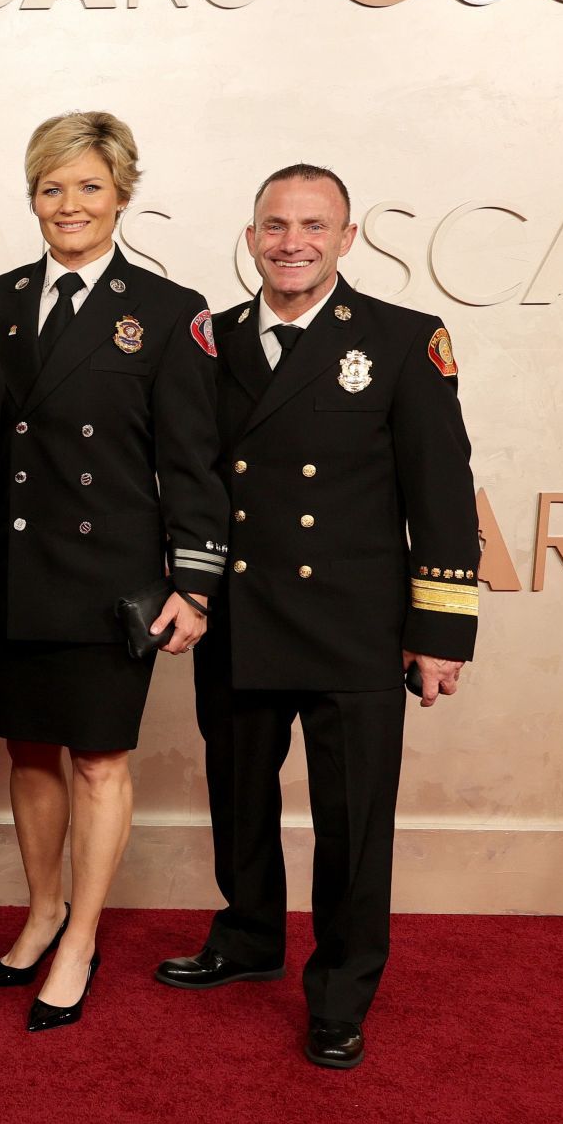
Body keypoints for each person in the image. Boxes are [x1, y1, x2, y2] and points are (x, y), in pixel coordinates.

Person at [156, 165, 479, 1069]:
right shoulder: (205, 340)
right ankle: (249, 934)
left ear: (345, 238)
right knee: (238, 799)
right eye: (274, 224)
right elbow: (187, 478)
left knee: (352, 822)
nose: (291, 240)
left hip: (355, 627)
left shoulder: (404, 340)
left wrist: (440, 631)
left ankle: (340, 990)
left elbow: (442, 494)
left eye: (312, 225)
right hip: (239, 615)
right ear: (251, 235)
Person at [0, 112, 227, 1030]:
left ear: (121, 196)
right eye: (51, 187)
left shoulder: (166, 313)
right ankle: (41, 911)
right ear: (31, 195)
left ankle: (82, 934)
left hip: (111, 579)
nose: (68, 204)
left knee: (99, 760)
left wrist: (193, 583)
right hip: (15, 568)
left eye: (87, 187)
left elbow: (193, 462)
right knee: (29, 750)